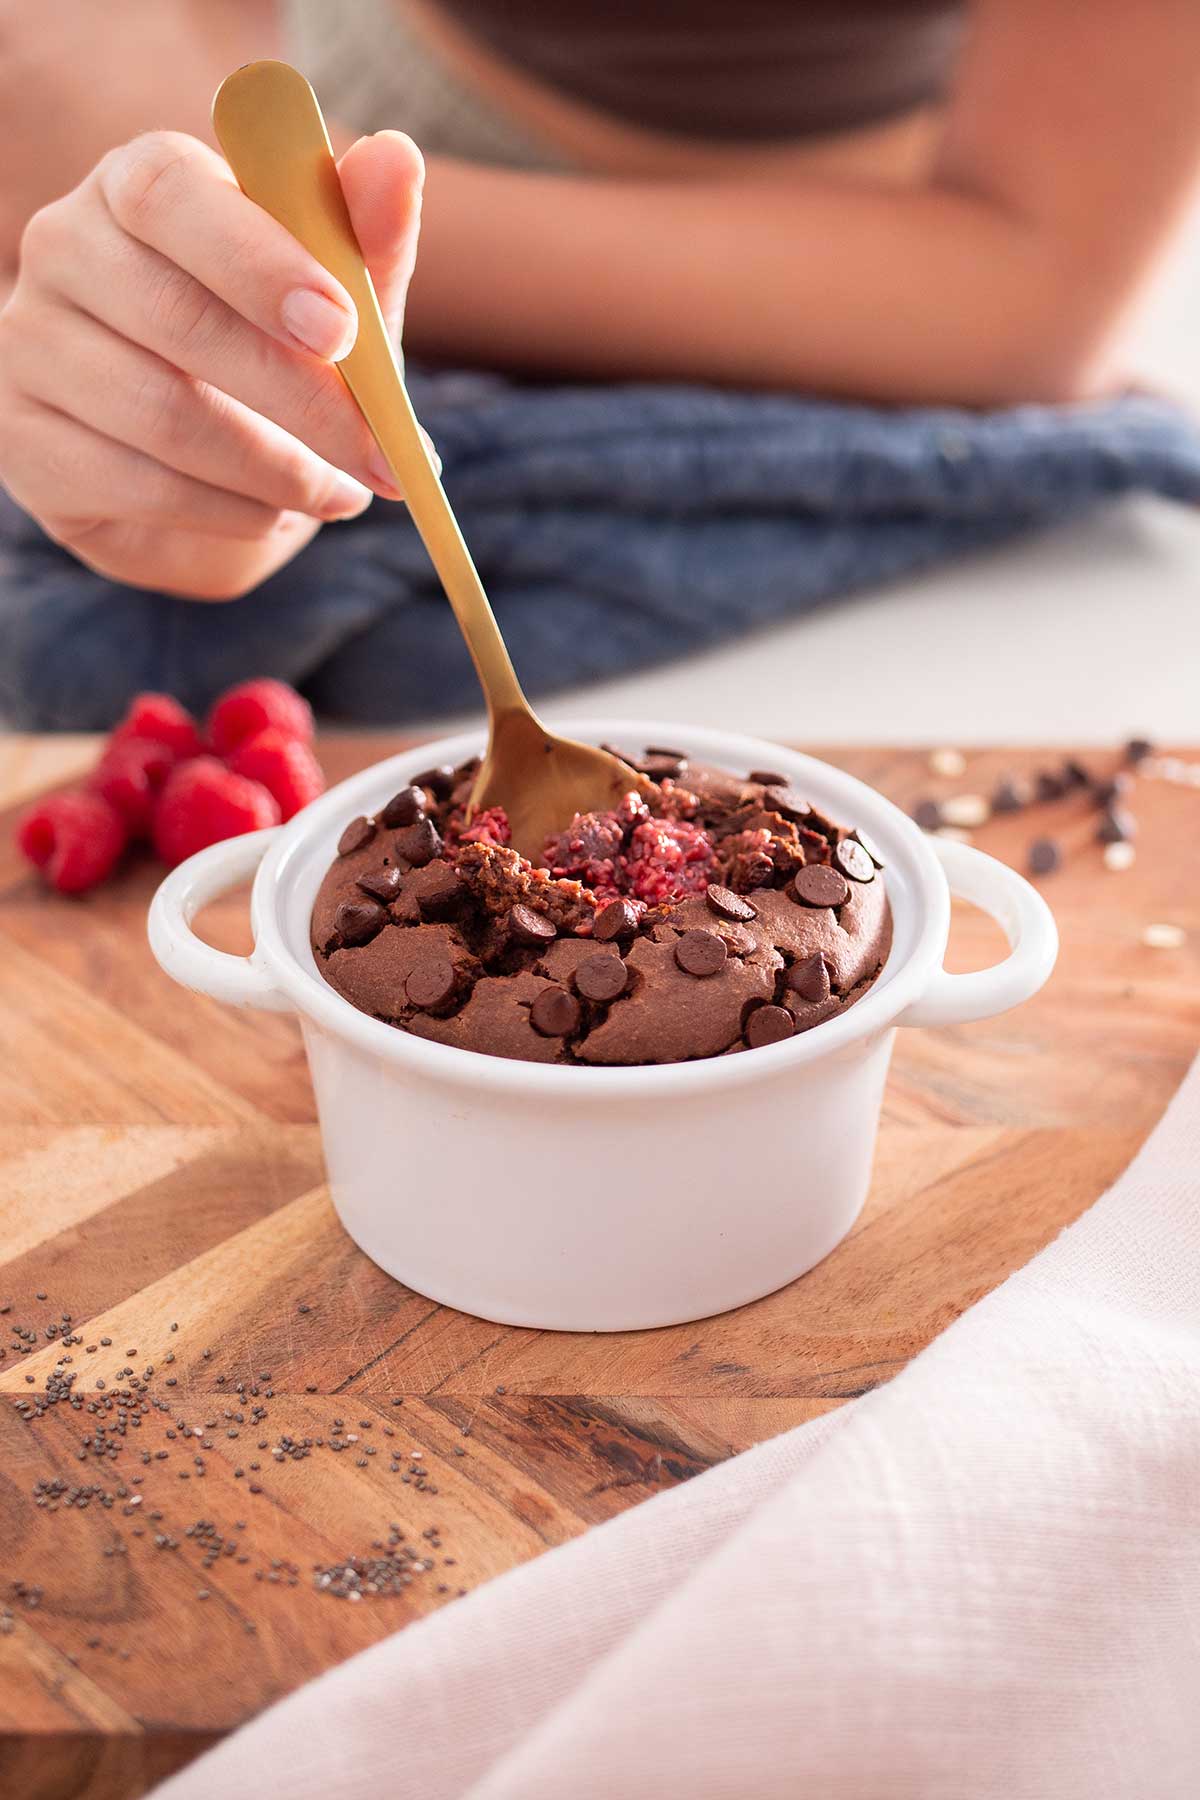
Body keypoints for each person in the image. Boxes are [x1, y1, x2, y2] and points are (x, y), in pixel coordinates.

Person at [0, 0, 1198, 690]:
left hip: (857, 284)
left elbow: (1036, 289)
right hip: (312, 93)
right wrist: (155, 208)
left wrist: (340, 259)